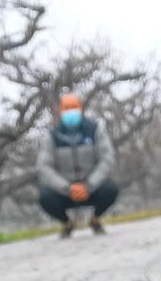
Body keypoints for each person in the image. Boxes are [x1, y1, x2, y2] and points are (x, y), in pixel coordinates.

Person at [36, 92, 119, 237]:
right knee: (45, 197)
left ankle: (95, 219)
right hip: (65, 192)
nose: (71, 111)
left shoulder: (95, 129)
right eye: (67, 108)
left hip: (91, 188)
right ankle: (67, 223)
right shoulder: (51, 136)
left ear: (81, 108)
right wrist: (67, 188)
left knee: (111, 189)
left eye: (74, 107)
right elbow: (44, 167)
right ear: (60, 111)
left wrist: (89, 185)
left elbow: (107, 158)